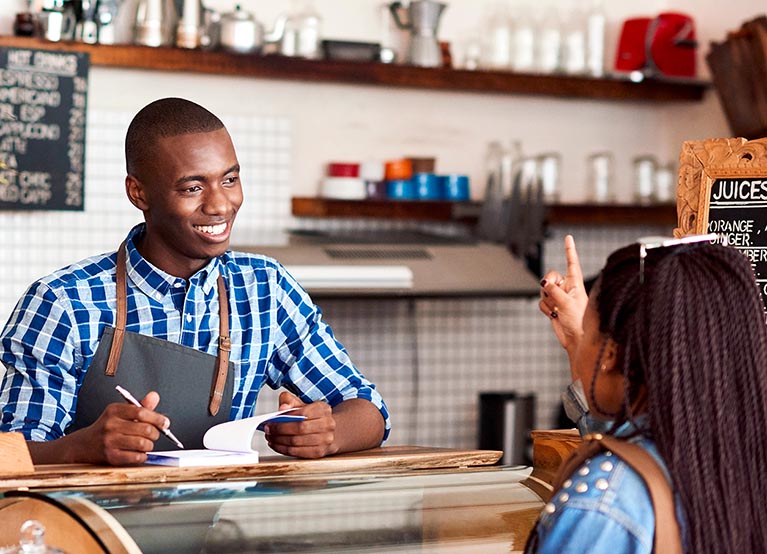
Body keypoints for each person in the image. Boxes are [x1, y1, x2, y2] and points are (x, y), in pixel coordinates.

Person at [0, 98, 389, 466]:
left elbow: (369, 409)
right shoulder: (63, 302)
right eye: (192, 188)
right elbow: (11, 453)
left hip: (217, 528)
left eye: (230, 179)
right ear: (138, 192)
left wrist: (329, 432)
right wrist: (81, 447)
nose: (220, 204)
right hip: (90, 529)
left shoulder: (264, 289)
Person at [528, 234, 767, 553]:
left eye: (588, 329)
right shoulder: (741, 465)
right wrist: (581, 342)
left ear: (610, 354)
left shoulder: (602, 503)